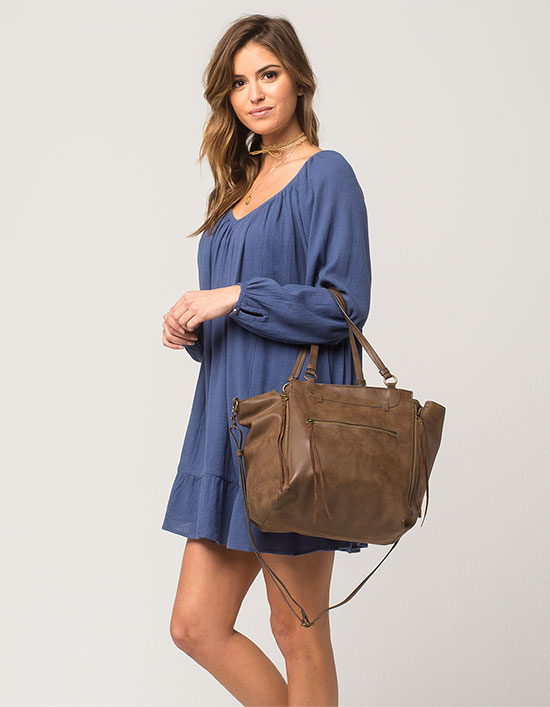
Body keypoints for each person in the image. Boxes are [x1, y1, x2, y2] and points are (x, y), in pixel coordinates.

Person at [160, 14, 371, 707]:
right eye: (239, 82)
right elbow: (238, 317)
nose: (254, 93)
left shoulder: (326, 174)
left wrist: (235, 296)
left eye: (268, 74)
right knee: (195, 626)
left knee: (296, 627)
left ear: (298, 81)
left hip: (290, 430)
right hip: (226, 425)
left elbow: (345, 306)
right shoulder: (234, 189)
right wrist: (194, 327)